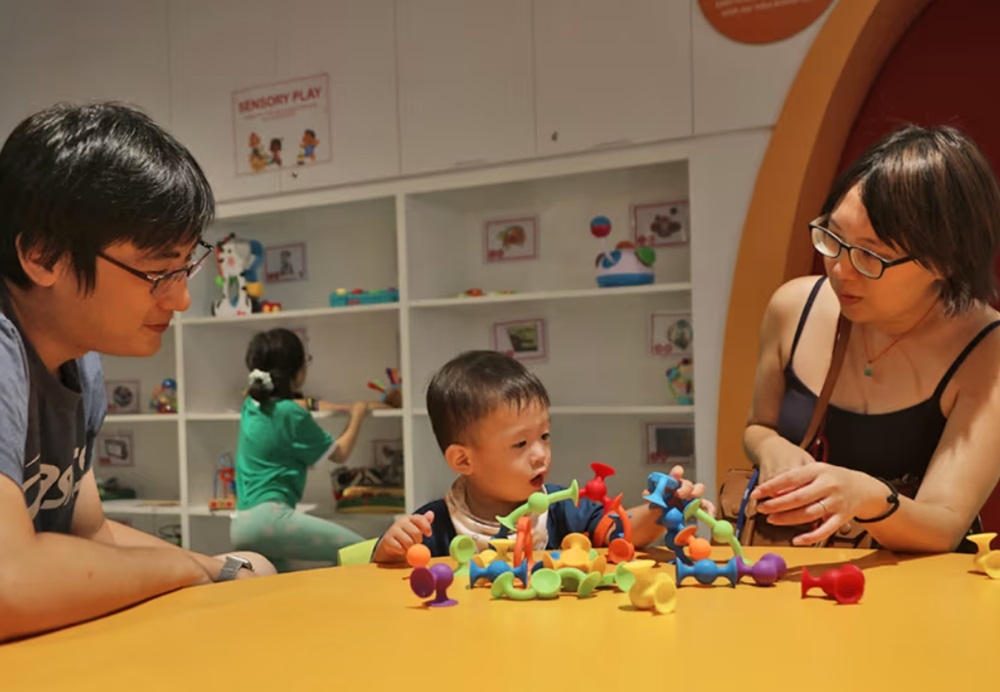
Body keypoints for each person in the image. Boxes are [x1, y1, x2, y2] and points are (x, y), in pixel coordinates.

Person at [0, 101, 277, 644]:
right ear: (42, 255)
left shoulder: (80, 360)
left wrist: (218, 568)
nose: (180, 298)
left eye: (184, 266)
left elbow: (90, 532)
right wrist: (189, 571)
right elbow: (9, 586)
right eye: (157, 272)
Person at [744, 124, 1000, 553]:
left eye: (871, 254)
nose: (840, 270)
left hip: (913, 600)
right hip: (789, 578)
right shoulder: (792, 307)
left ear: (944, 263)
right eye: (834, 237)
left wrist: (864, 496)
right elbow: (758, 425)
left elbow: (945, 525)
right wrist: (771, 447)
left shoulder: (985, 352)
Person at [372, 350, 706, 563]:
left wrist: (661, 509)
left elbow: (624, 531)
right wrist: (390, 549)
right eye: (520, 444)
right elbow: (385, 578)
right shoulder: (436, 525)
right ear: (463, 461)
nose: (540, 454)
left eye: (544, 436)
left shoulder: (563, 509)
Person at [232, 327, 381, 571]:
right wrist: (357, 414)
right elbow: (340, 454)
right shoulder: (293, 414)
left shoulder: (251, 404)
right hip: (270, 521)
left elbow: (285, 404)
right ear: (296, 370)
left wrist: (318, 403)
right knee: (360, 551)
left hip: (242, 523)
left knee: (278, 595)